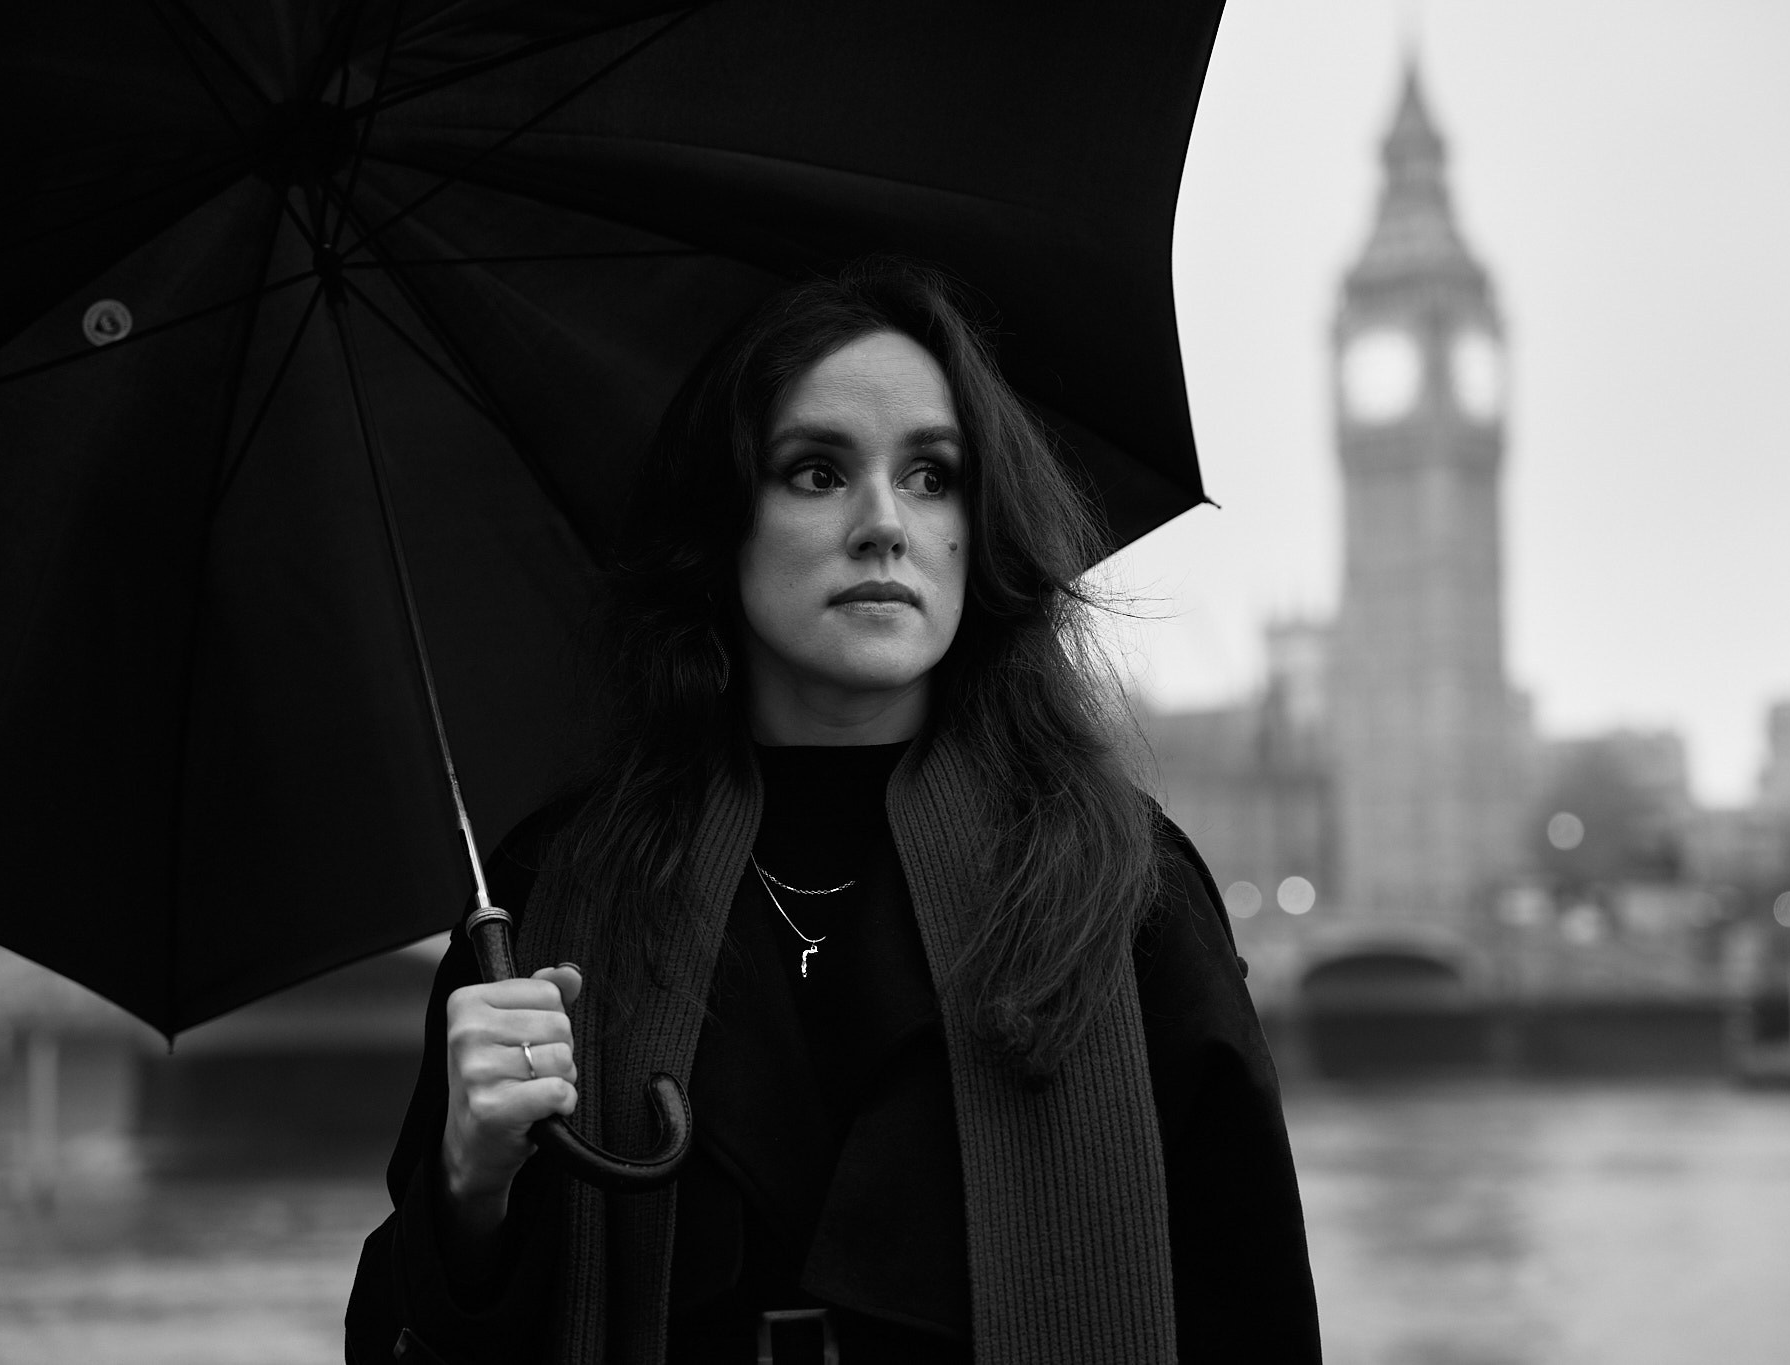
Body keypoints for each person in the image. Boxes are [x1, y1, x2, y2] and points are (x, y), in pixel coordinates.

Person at [346, 258, 1320, 1365]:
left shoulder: (1120, 885)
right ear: (721, 523)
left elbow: (1255, 1315)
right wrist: (469, 1182)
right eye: (814, 472)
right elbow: (395, 1338)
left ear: (976, 524)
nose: (882, 525)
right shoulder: (550, 892)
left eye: (931, 476)